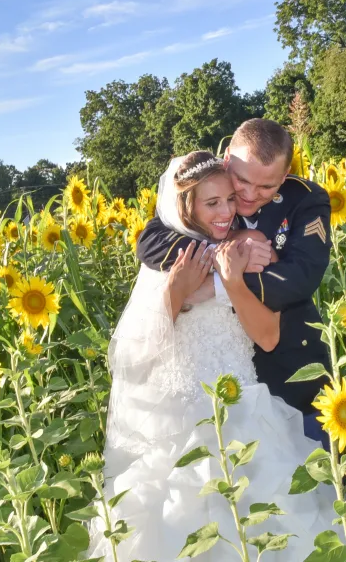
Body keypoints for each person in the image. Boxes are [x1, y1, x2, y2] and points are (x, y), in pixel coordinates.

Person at [87, 152, 346, 561]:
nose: (227, 211)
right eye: (212, 202)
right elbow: (136, 354)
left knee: (279, 510)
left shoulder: (246, 243)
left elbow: (269, 330)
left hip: (246, 400)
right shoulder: (168, 256)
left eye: (228, 199)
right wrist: (178, 291)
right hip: (182, 411)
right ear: (186, 205)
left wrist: (222, 282)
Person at [135, 118, 332, 447]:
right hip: (226, 375)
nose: (250, 195)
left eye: (267, 187)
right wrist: (223, 253)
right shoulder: (210, 188)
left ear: (285, 177)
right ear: (227, 160)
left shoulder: (305, 200)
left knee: (319, 477)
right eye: (242, 181)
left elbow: (299, 279)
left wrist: (215, 286)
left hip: (291, 369)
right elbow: (150, 241)